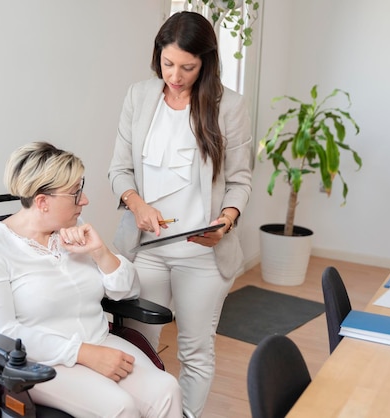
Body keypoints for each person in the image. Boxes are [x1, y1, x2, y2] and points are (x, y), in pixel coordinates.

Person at [0, 142, 182, 418]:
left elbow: (127, 290)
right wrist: (83, 353)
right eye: (76, 193)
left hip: (99, 341)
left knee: (167, 390)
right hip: (39, 362)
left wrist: (100, 251)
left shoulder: (73, 232)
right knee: (120, 408)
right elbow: (0, 331)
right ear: (42, 202)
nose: (85, 200)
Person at [108, 11, 252, 417]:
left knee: (195, 350)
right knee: (137, 348)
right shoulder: (139, 96)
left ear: (205, 62)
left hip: (203, 256)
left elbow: (240, 180)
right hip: (147, 249)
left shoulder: (229, 107)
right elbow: (118, 170)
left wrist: (226, 218)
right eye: (168, 64)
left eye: (187, 67)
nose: (175, 75)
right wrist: (137, 204)